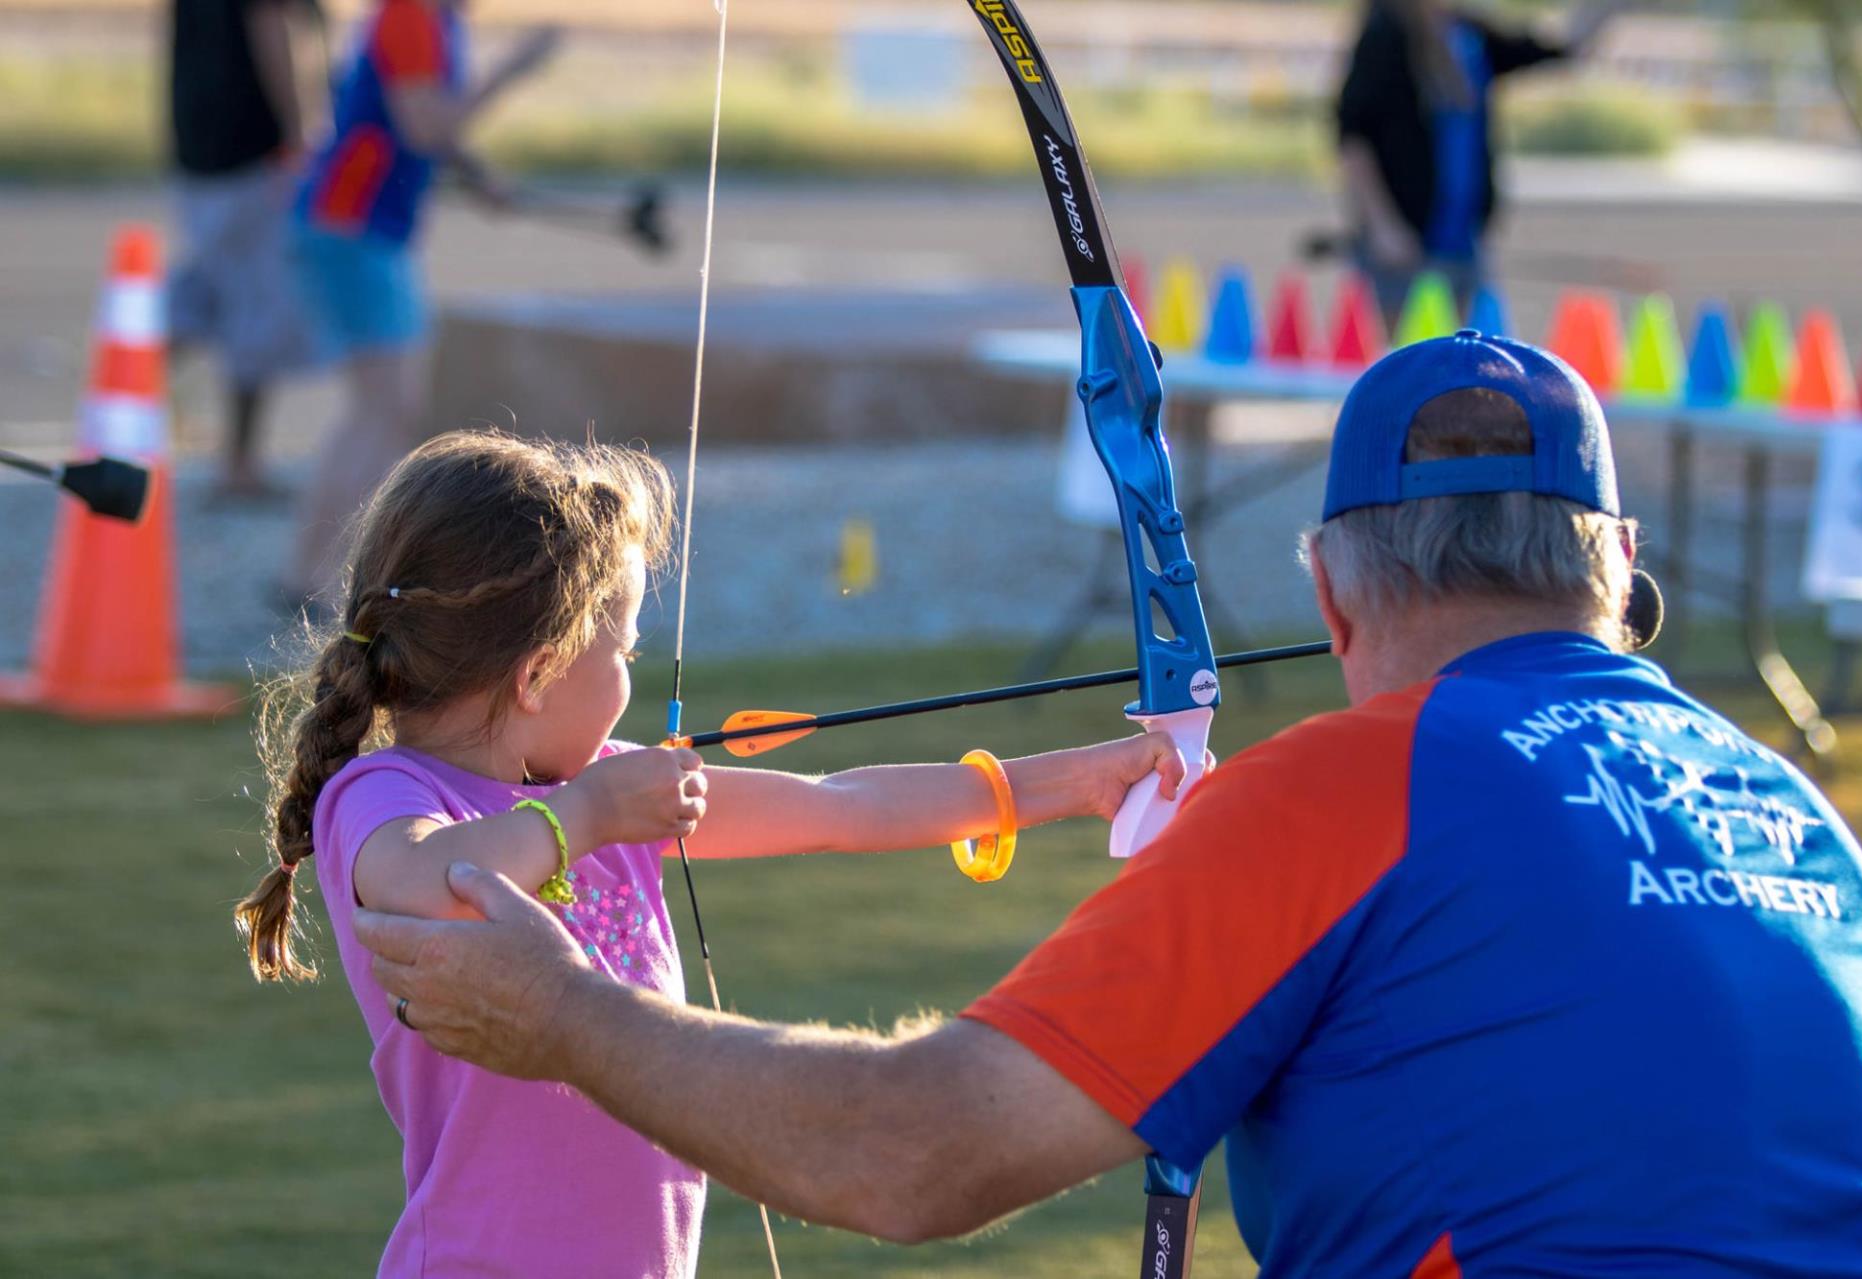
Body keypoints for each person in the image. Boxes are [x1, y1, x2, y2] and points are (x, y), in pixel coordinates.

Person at [356, 335, 1862, 1276]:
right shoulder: (1797, 814)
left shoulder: (1357, 790)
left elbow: (920, 1149)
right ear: (1616, 572)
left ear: (1326, 586)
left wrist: (567, 1013)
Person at [233, 429, 1183, 1277]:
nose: (633, 679)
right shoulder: (387, 796)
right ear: (538, 674)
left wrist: (1081, 779)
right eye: (628, 653)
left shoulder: (602, 790)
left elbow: (840, 805)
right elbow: (423, 881)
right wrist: (592, 813)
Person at [283, 0, 560, 602]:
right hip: (352, 223)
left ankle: (319, 574)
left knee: (385, 408)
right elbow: (424, 125)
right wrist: (512, 69)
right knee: (385, 408)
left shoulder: (437, 20)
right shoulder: (410, 13)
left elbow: (423, 125)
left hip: (364, 227)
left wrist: (476, 174)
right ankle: (315, 577)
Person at [1336, 0, 1624, 323]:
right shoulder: (1386, 33)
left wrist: (1605, 9)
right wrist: (1382, 226)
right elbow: (1353, 137)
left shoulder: (1468, 34)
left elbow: (1556, 47)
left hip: (1461, 241)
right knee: (1406, 359)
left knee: (1460, 357)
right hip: (1406, 242)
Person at [167, 0, 326, 499]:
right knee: (256, 306)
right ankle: (239, 463)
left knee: (214, 289)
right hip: (252, 149)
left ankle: (120, 387)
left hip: (200, 145)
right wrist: (301, 134)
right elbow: (272, 23)